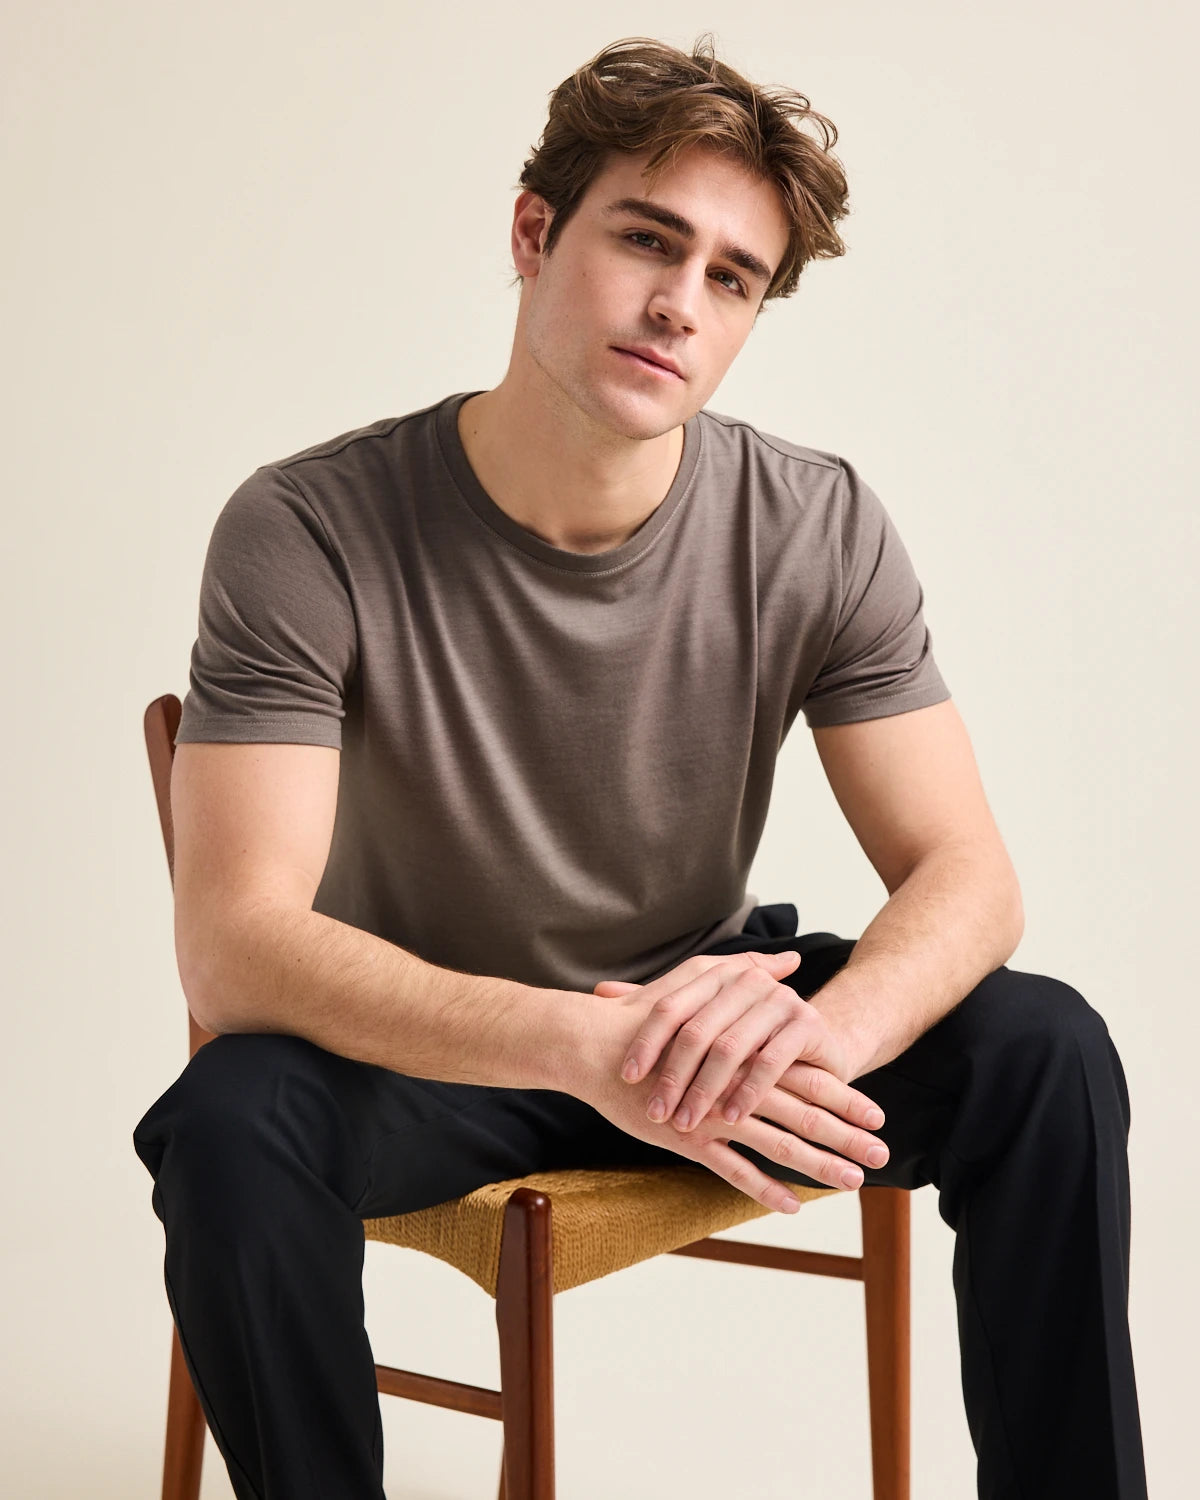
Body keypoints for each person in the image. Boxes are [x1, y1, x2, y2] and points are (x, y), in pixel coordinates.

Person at [132, 32, 1146, 1500]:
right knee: (230, 1126)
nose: (682, 301)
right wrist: (578, 1047)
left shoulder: (815, 527)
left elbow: (969, 875)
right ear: (534, 234)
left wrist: (810, 1043)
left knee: (1045, 1050)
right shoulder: (309, 530)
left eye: (733, 278)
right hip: (433, 1054)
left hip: (702, 1024)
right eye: (649, 240)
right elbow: (234, 949)